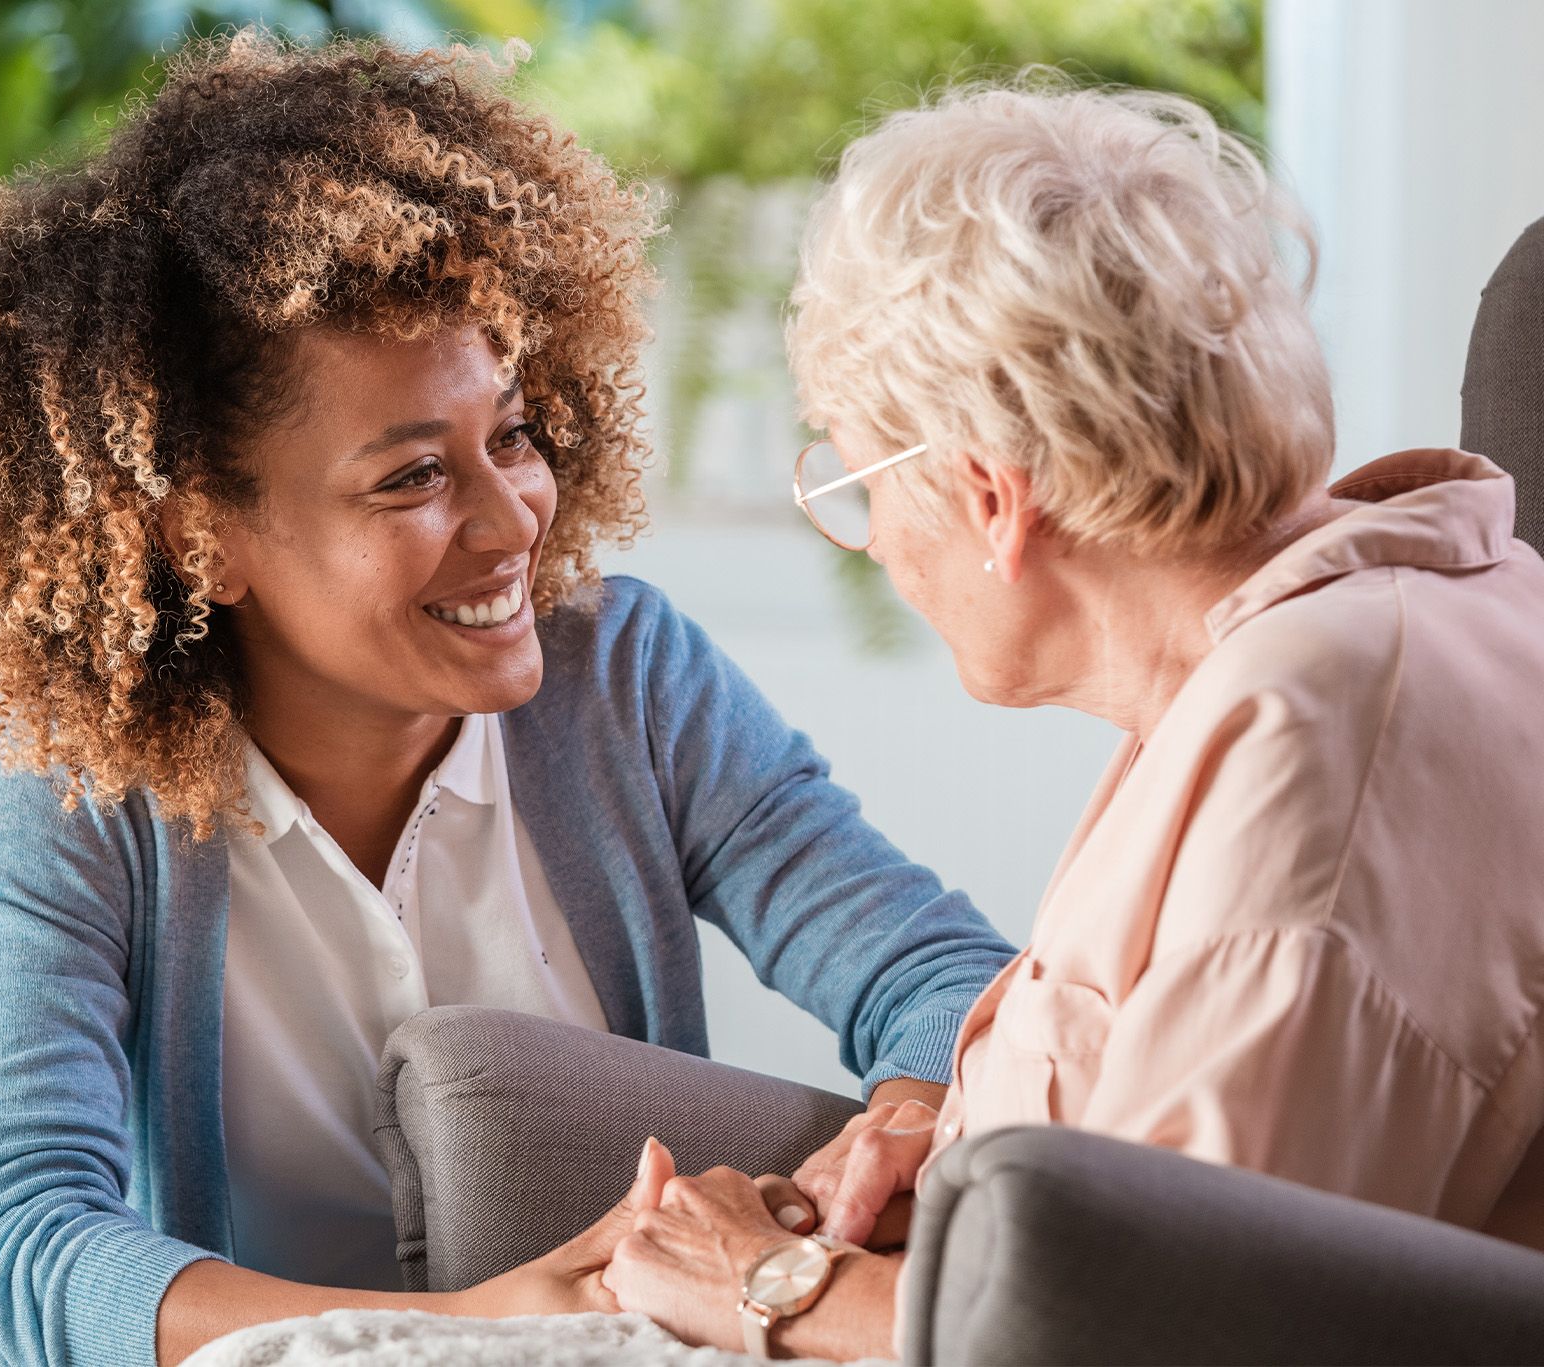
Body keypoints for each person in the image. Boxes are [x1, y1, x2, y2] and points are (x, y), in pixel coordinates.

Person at [0, 31, 1013, 1367]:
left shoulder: (628, 678)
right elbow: (2, 1252)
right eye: (411, 478)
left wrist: (906, 1115)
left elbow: (947, 977)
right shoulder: (63, 769)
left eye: (515, 434)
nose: (512, 519)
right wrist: (466, 1331)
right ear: (201, 539)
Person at [599, 75, 1544, 1359]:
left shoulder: (1315, 734)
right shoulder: (1328, 634)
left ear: (990, 497)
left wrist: (772, 1283)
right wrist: (952, 1139)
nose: (870, 544)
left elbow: (1173, 1322)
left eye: (858, 476)